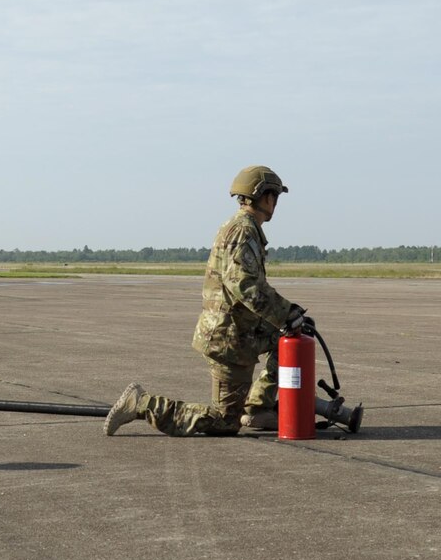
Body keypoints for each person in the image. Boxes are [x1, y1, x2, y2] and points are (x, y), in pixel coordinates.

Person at [105, 165, 309, 437]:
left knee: (290, 334)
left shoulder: (244, 228)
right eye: (275, 197)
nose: (275, 204)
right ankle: (142, 403)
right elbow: (244, 285)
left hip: (243, 331)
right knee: (224, 422)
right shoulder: (242, 231)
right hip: (229, 338)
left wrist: (288, 318)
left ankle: (258, 408)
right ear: (265, 197)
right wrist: (285, 312)